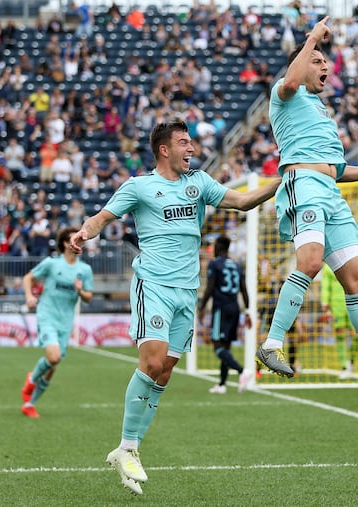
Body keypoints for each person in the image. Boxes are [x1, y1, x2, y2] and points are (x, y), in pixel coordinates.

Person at [69, 121, 280, 496]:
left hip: (188, 291)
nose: (192, 148)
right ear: (164, 149)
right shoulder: (140, 186)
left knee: (164, 372)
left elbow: (243, 201)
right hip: (154, 285)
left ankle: (126, 450)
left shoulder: (199, 183)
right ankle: (129, 446)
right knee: (150, 362)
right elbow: (102, 218)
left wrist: (280, 182)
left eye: (192, 142)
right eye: (184, 142)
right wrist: (84, 232)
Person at [254, 16, 358, 386]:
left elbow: (337, 169)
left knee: (356, 278)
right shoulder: (285, 93)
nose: (325, 65)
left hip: (330, 192)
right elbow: (293, 79)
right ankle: (270, 344)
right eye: (317, 60)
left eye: (325, 61)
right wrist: (312, 37)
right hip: (305, 185)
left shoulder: (321, 112)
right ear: (300, 62)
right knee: (310, 263)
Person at [20, 227, 94, 419]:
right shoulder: (52, 264)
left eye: (81, 240)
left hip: (65, 321)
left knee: (53, 366)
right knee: (53, 357)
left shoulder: (85, 270)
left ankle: (30, 404)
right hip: (47, 315)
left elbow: (88, 297)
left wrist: (80, 291)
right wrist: (29, 296)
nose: (79, 243)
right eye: (75, 240)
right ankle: (32, 379)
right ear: (64, 243)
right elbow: (28, 277)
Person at [197, 235, 252, 394]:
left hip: (221, 308)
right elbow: (244, 289)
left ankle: (242, 371)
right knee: (226, 346)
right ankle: (221, 384)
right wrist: (247, 311)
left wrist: (201, 308)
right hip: (235, 308)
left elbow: (209, 287)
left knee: (217, 346)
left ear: (219, 247)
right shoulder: (236, 264)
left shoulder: (215, 264)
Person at [320, 263, 358, 378]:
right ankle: (344, 366)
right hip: (336, 304)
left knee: (356, 334)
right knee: (340, 334)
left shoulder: (351, 260)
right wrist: (325, 302)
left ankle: (351, 361)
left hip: (353, 301)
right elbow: (325, 285)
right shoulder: (328, 267)